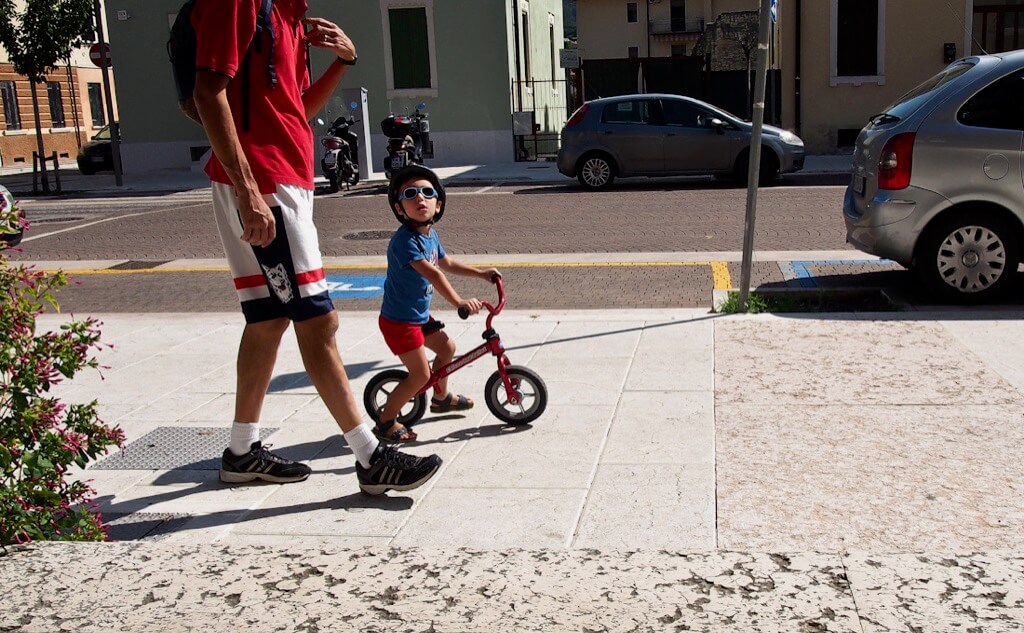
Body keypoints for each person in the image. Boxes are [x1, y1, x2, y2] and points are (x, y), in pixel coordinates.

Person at [189, 0, 441, 495]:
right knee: (318, 318)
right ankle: (371, 458)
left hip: (282, 178)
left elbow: (293, 111)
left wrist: (342, 63)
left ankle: (241, 452)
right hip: (263, 182)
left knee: (267, 319)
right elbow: (207, 91)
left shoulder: (288, 16)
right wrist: (247, 192)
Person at [375, 165, 499, 442]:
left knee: (447, 347)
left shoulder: (430, 236)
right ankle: (385, 422)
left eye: (427, 193)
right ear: (399, 208)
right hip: (399, 321)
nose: (420, 198)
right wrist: (459, 301)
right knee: (419, 375)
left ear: (438, 203)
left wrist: (481, 274)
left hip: (417, 316)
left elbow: (446, 263)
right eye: (410, 194)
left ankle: (441, 398)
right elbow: (433, 273)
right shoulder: (404, 242)